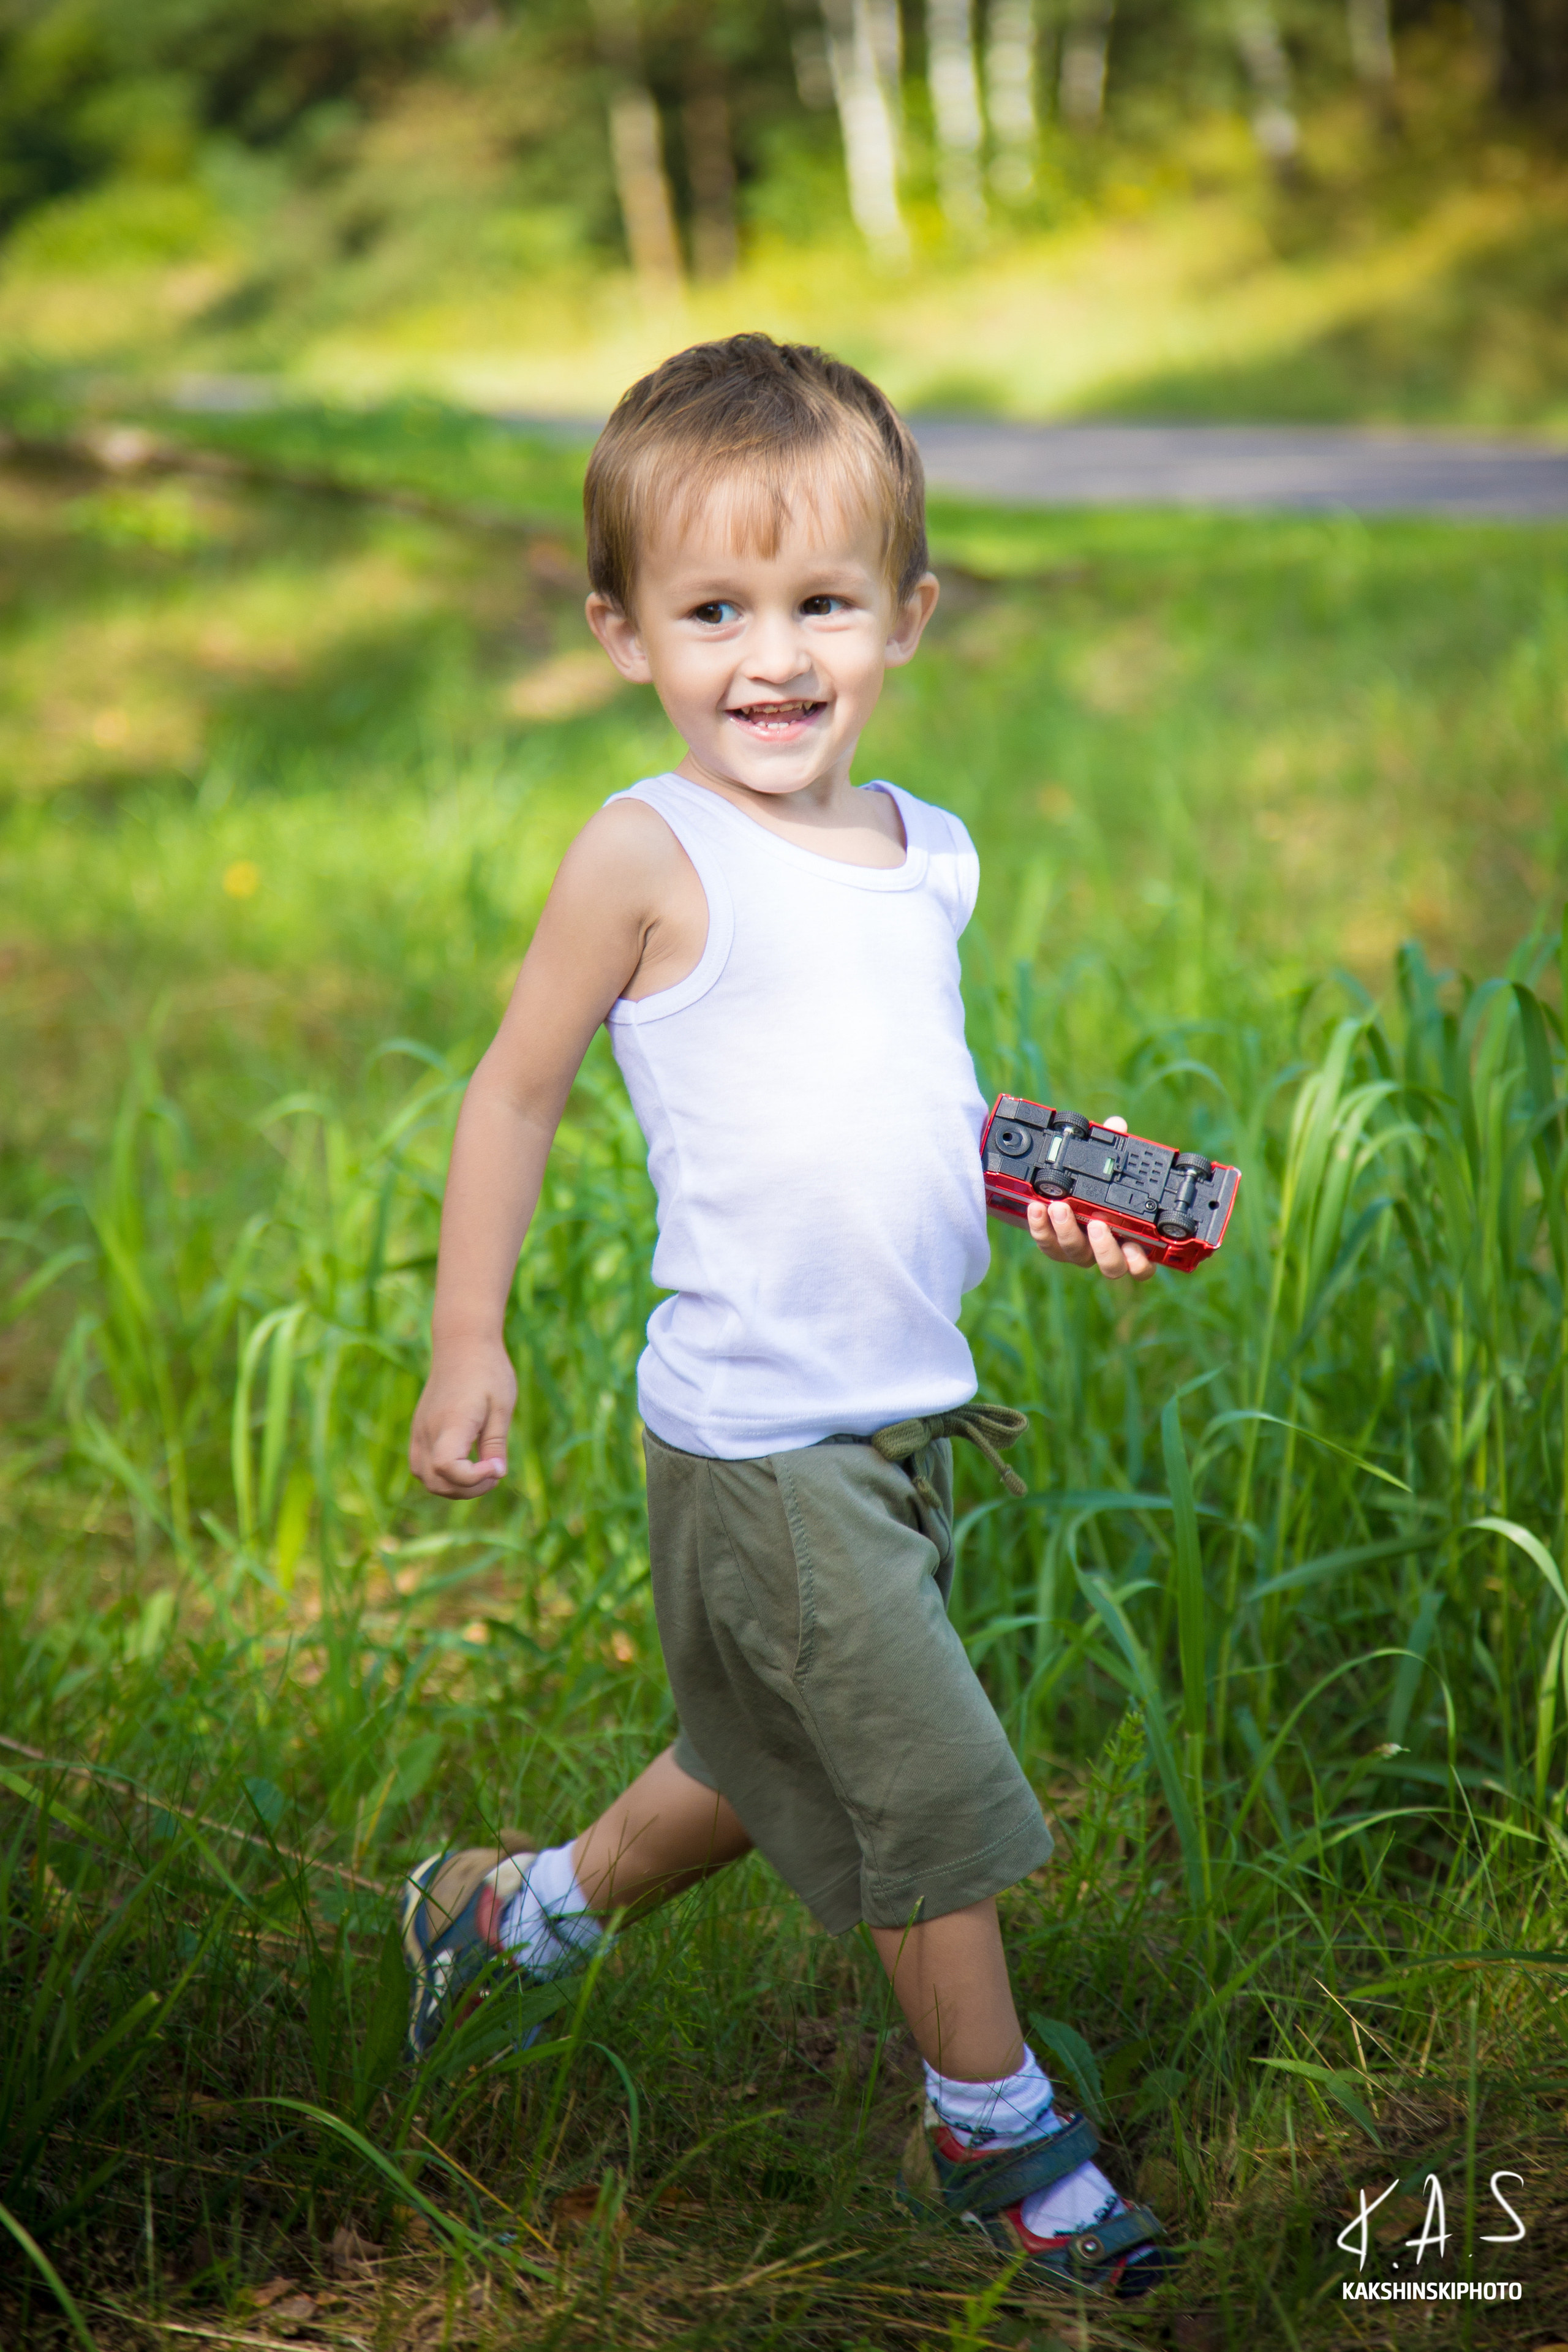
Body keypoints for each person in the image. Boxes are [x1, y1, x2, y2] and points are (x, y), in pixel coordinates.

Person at [402, 333, 1170, 2299]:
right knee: (931, 1792)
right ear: (619, 629)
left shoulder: (928, 853)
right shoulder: (648, 851)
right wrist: (467, 1335)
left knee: (765, 1764)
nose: (774, 654)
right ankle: (993, 2138)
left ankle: (512, 1922)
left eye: (822, 602)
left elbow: (896, 1089)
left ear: (908, 615)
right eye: (714, 609)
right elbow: (514, 1089)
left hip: (897, 1410)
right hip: (757, 1432)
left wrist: (1040, 1172)